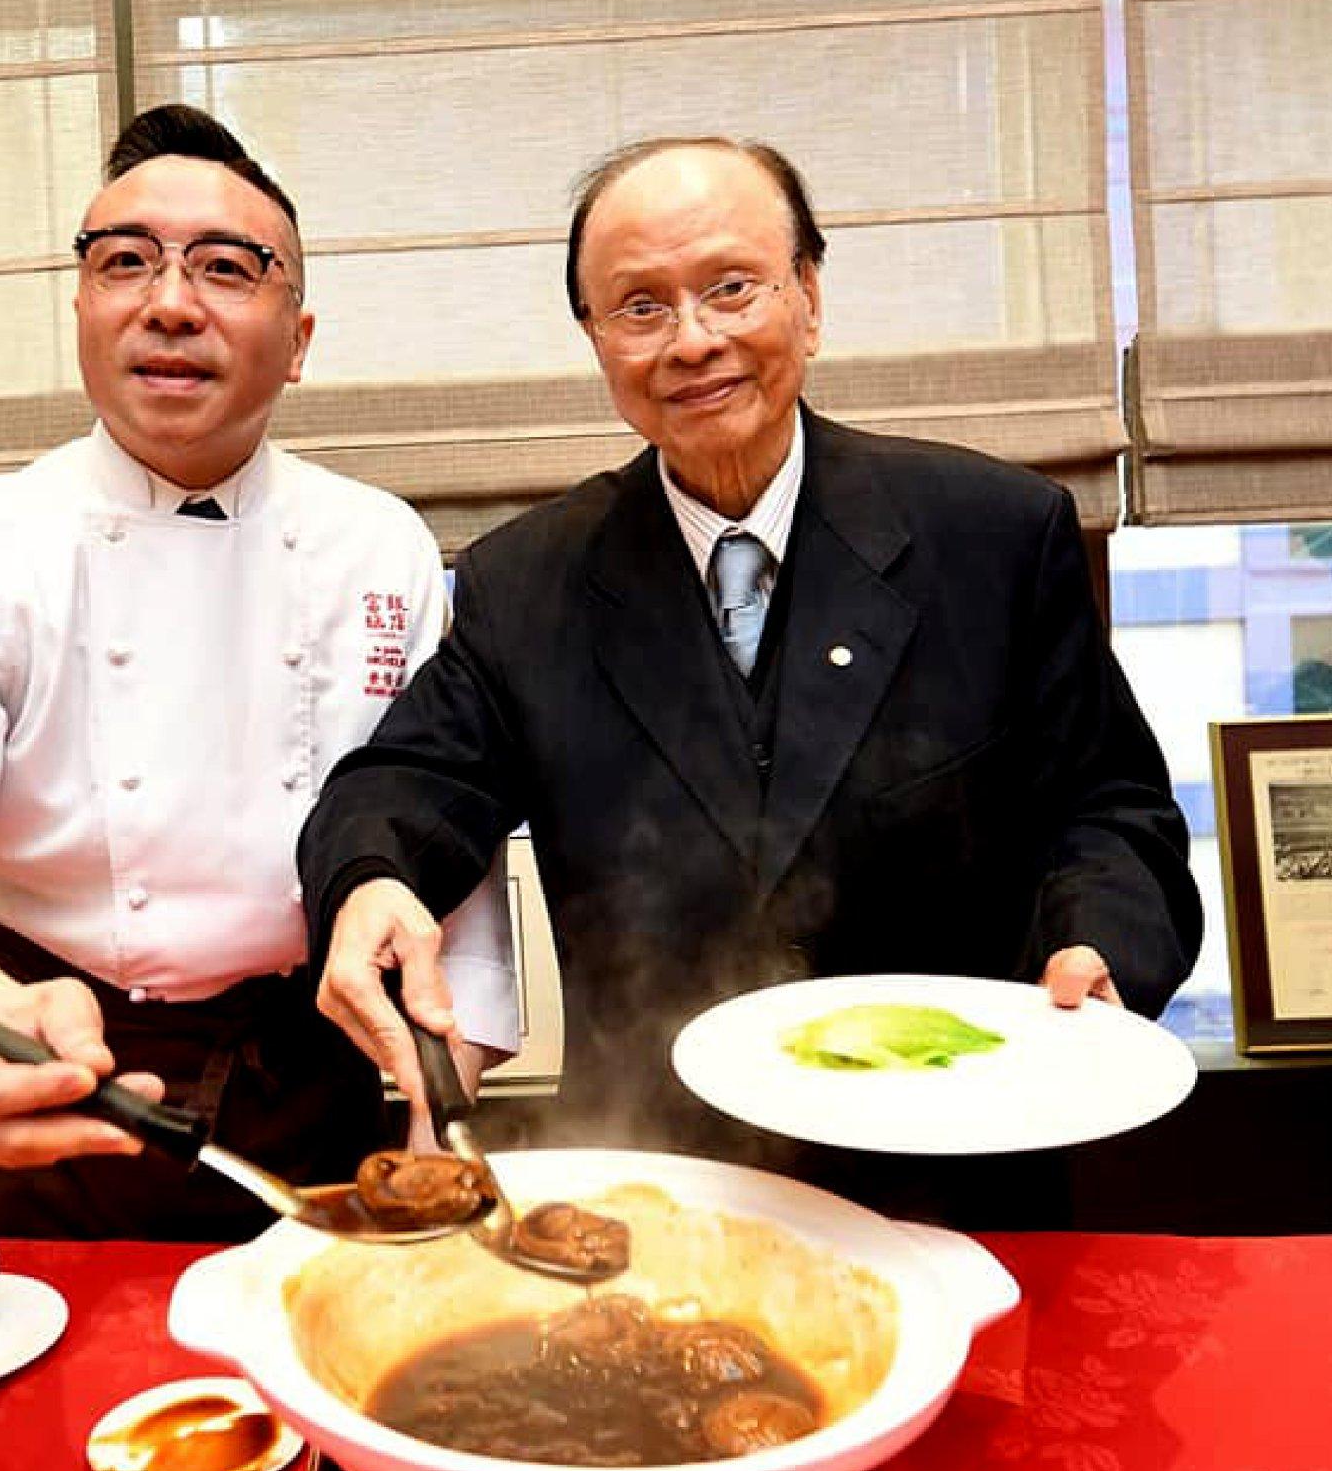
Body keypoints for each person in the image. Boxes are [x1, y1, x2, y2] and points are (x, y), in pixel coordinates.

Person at [298, 136, 1201, 1218]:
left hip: (962, 1167)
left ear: (808, 299)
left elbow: (1110, 809)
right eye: (640, 307)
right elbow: (403, 782)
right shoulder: (526, 583)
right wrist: (371, 876)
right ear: (595, 341)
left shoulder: (993, 535)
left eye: (731, 288)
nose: (692, 340)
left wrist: (1098, 940)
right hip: (667, 1187)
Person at [0, 105, 517, 1238]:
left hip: (312, 1088)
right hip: (57, 1086)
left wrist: (437, 1131)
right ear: (81, 309)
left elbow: (442, 845)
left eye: (224, 267)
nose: (169, 302)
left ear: (299, 337)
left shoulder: (380, 544)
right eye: (125, 261)